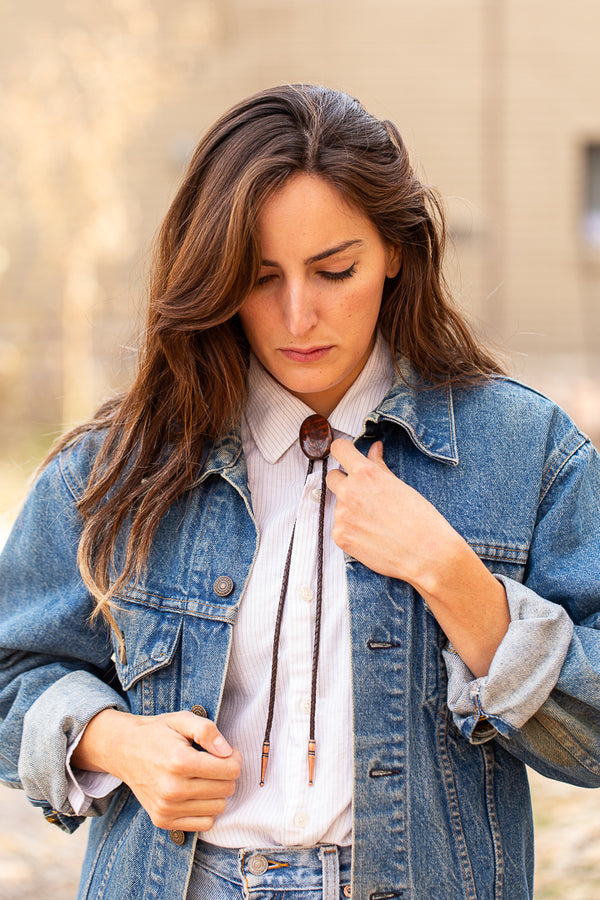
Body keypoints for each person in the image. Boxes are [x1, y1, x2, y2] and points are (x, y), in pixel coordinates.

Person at [1, 83, 600, 900]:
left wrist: (455, 580)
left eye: (334, 270)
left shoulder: (524, 452)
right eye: (258, 277)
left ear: (396, 251)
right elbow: (11, 666)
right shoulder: (124, 460)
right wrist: (112, 741)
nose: (297, 316)